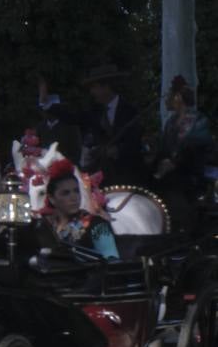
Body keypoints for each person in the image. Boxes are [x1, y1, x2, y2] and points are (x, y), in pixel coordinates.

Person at [152, 75, 214, 230]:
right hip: (169, 171)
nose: (167, 101)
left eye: (170, 97)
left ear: (178, 97)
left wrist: (175, 162)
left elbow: (198, 147)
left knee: (176, 188)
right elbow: (163, 148)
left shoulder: (198, 120)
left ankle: (185, 227)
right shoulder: (170, 122)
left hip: (191, 172)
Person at [76, 63, 145, 188]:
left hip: (128, 177)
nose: (92, 92)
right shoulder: (95, 112)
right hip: (102, 178)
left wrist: (117, 150)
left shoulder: (130, 111)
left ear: (106, 87)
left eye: (94, 87)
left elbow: (135, 142)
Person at [36, 158, 119, 259]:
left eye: (76, 191)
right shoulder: (44, 227)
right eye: (65, 193)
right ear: (52, 199)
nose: (74, 197)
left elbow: (111, 261)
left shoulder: (97, 224)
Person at [34, 91, 83, 165]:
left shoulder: (70, 126)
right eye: (43, 109)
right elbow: (37, 148)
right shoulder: (40, 127)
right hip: (44, 168)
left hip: (65, 168)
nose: (45, 112)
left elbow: (76, 153)